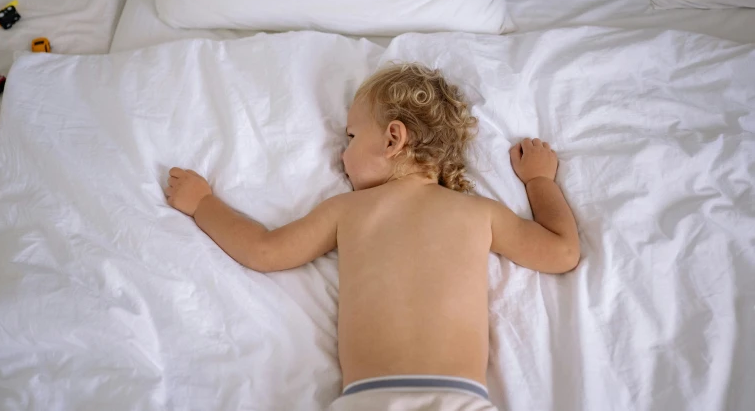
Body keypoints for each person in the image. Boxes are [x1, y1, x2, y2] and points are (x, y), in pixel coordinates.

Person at [165, 64, 580, 411]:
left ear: (392, 139)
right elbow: (561, 251)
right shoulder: (478, 213)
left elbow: (263, 250)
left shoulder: (348, 211)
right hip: (459, 401)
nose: (342, 155)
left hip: (370, 399)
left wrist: (204, 204)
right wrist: (539, 181)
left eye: (351, 137)